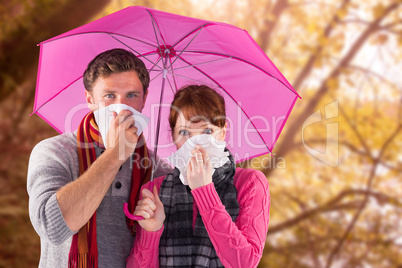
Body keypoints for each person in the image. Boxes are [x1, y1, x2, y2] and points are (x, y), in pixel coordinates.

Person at [27, 48, 171, 268]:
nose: (120, 107)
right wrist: (115, 155)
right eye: (109, 96)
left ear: (144, 99)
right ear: (89, 99)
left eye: (131, 95)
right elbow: (52, 228)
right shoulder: (54, 152)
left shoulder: (159, 171)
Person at [127, 85, 270, 268]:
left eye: (207, 131)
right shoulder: (153, 191)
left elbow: (245, 263)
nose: (195, 143)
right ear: (173, 136)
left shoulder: (250, 184)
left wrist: (204, 191)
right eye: (185, 133)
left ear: (223, 131)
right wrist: (151, 231)